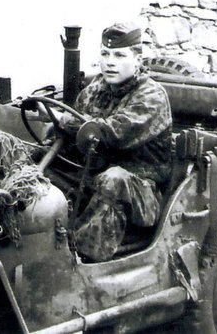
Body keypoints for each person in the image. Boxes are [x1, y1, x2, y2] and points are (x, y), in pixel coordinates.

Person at [60, 22, 172, 262]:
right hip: (92, 174)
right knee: (45, 170)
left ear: (138, 60)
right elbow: (73, 129)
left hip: (141, 191)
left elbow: (112, 134)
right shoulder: (95, 89)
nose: (110, 62)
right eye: (105, 54)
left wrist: (69, 122)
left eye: (120, 55)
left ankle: (85, 259)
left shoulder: (151, 95)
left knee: (114, 179)